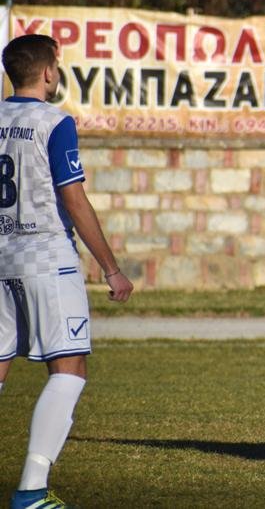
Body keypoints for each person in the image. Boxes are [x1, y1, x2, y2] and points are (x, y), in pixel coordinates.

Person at [1, 34, 135, 509]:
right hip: (45, 257)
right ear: (49, 72)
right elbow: (73, 197)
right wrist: (111, 268)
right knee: (69, 369)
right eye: (57, 64)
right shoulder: (54, 122)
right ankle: (32, 490)